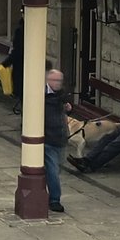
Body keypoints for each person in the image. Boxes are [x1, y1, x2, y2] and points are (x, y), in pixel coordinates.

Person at [43, 70, 72, 211]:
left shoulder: (62, 94)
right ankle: (54, 200)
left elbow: (66, 110)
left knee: (56, 169)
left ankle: (49, 192)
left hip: (60, 138)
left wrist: (68, 108)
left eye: (59, 81)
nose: (57, 84)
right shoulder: (42, 95)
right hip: (48, 139)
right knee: (53, 170)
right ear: (48, 80)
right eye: (54, 80)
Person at [0, 13, 25, 100]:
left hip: (20, 65)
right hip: (25, 65)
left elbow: (17, 50)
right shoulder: (23, 29)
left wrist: (6, 63)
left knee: (21, 89)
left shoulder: (20, 30)